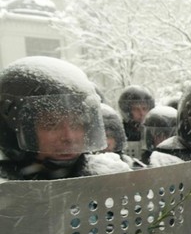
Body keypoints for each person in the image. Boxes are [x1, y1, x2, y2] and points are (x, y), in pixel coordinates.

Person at [0, 56, 131, 180]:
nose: (69, 137)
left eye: (76, 123)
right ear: (12, 131)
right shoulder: (6, 192)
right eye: (51, 124)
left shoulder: (104, 180)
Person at [99, 103, 145, 168]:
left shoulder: (128, 165)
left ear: (117, 138)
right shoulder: (84, 168)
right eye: (101, 137)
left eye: (110, 136)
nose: (107, 142)